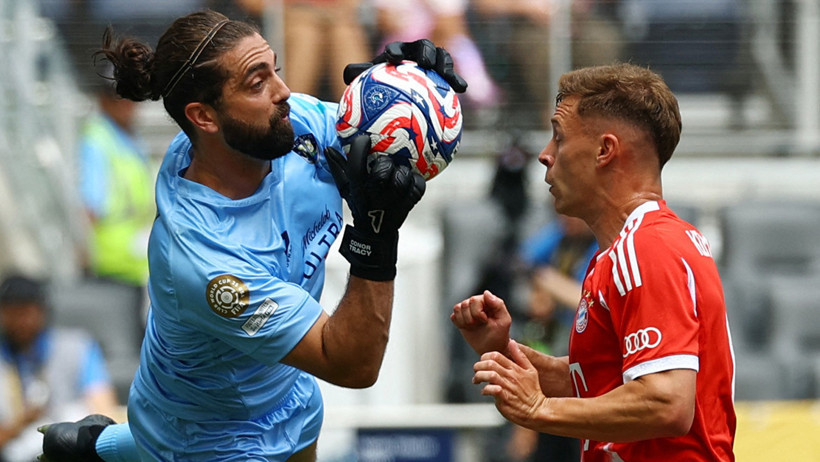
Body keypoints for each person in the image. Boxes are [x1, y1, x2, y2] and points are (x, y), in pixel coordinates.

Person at [38, 10, 466, 462]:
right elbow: (353, 365)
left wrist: (405, 92)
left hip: (289, 396)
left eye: (274, 69)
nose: (284, 92)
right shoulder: (204, 259)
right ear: (204, 116)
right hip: (208, 441)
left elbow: (383, 147)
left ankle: (92, 447)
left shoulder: (282, 126)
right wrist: (375, 239)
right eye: (257, 82)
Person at [451, 63, 736, 460]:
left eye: (559, 137)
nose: (545, 155)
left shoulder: (649, 248)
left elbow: (666, 402)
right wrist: (504, 352)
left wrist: (539, 410)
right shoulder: (624, 252)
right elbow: (598, 383)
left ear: (605, 150)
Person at [0, 274, 118, 462]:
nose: (21, 321)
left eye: (27, 311)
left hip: (73, 448)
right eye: (13, 313)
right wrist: (21, 423)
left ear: (43, 311)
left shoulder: (78, 347)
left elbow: (104, 412)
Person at [78, 72, 155, 307]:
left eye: (130, 97)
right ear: (103, 100)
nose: (127, 104)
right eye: (118, 97)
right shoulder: (97, 139)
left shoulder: (130, 137)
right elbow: (90, 205)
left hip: (135, 262)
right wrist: (84, 256)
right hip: (110, 264)